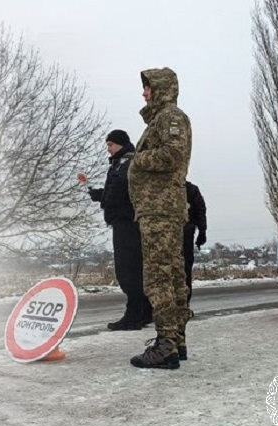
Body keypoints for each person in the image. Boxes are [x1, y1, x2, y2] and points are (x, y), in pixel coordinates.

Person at [128, 67, 192, 369]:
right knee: (173, 274)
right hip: (161, 209)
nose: (144, 93)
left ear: (161, 88)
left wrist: (135, 158)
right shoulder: (163, 118)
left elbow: (172, 155)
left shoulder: (170, 117)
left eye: (148, 88)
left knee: (159, 276)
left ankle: (165, 344)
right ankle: (175, 341)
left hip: (160, 209)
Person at [88, 129, 153, 330]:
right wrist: (100, 195)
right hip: (123, 220)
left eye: (110, 144)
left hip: (127, 222)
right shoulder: (119, 163)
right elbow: (116, 190)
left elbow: (123, 191)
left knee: (128, 270)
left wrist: (106, 199)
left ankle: (134, 316)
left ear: (121, 144)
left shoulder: (128, 162)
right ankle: (144, 312)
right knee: (133, 268)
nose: (108, 149)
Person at [183, 181, 207, 302]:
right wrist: (202, 231)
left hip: (184, 236)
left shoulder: (190, 189)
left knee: (183, 273)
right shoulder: (190, 189)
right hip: (186, 234)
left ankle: (182, 305)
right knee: (184, 273)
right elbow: (200, 211)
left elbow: (200, 210)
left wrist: (202, 231)